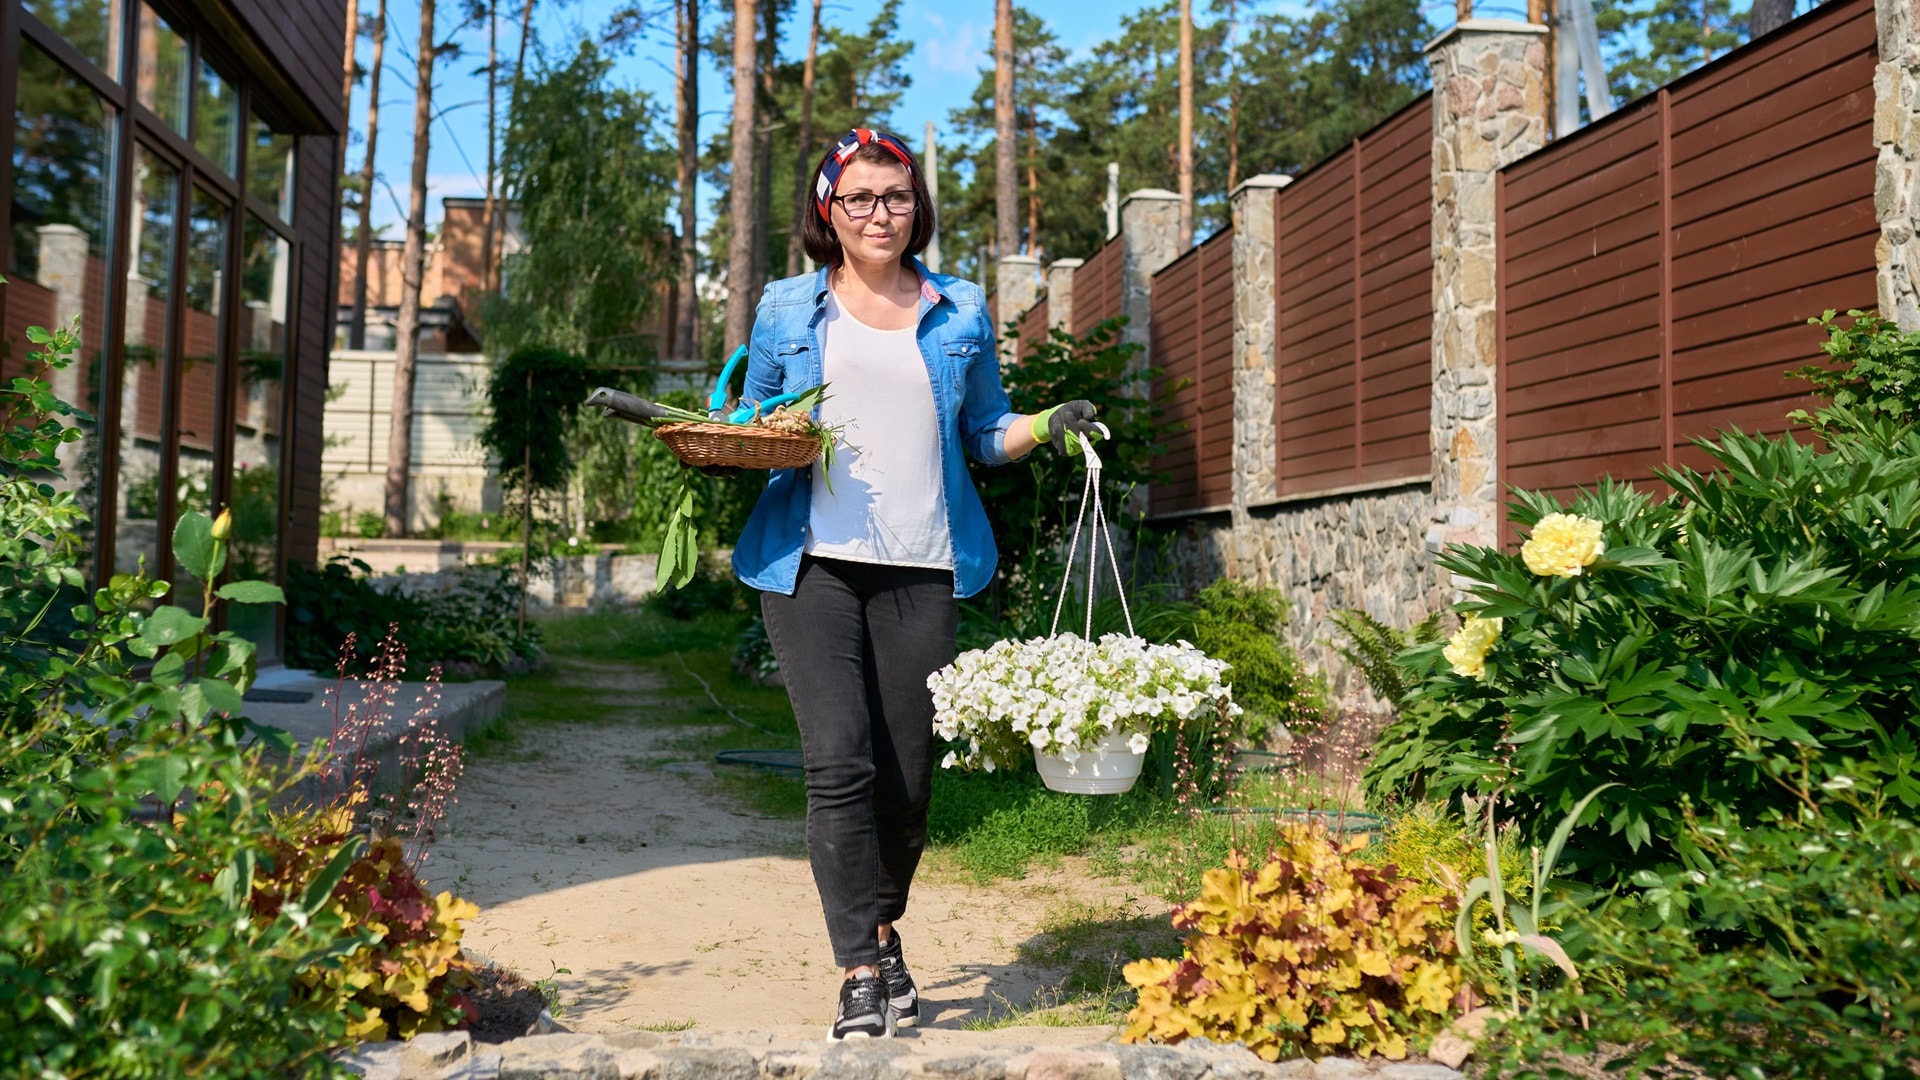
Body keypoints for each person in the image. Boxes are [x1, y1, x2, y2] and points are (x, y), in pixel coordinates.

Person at [731, 128, 1100, 1040]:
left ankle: (883, 927)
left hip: (926, 562)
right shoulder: (786, 308)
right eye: (857, 198)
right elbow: (752, 419)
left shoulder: (960, 310)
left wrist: (1045, 423)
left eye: (894, 196)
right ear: (829, 210)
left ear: (917, 205)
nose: (878, 214)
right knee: (839, 763)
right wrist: (737, 429)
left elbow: (982, 432)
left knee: (906, 780)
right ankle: (859, 966)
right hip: (809, 563)